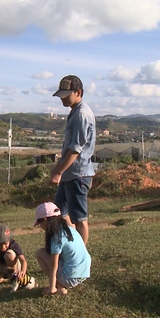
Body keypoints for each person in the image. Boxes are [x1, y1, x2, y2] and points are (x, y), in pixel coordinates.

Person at [51, 75, 96, 244]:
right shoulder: (75, 112)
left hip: (78, 174)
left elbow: (76, 149)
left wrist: (58, 172)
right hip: (69, 174)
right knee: (59, 212)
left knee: (79, 218)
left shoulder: (82, 115)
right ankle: (73, 247)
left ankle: (81, 257)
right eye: (61, 95)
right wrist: (59, 169)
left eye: (66, 94)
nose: (63, 98)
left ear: (78, 92)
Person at [34, 202, 91, 296]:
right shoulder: (69, 229)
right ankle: (61, 285)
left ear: (45, 220)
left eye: (40, 223)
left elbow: (53, 265)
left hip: (71, 277)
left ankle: (58, 286)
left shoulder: (57, 236)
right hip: (84, 272)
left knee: (40, 253)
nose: (41, 226)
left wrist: (52, 288)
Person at [0, 224, 33, 290]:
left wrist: (23, 271)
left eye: (5, 243)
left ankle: (14, 277)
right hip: (2, 266)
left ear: (9, 239)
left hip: (15, 267)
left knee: (9, 254)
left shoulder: (13, 245)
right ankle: (3, 277)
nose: (3, 247)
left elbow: (23, 260)